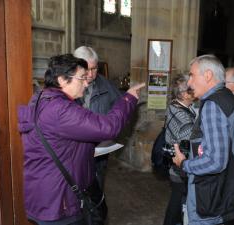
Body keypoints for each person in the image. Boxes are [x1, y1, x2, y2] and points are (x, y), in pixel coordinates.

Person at [17, 54, 145, 225]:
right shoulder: (60, 110)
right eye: (82, 78)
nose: (86, 83)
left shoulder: (42, 97)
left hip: (47, 194)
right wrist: (128, 98)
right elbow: (108, 127)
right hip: (59, 202)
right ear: (62, 79)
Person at [172, 55, 234, 225]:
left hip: (212, 201)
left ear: (208, 75)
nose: (189, 83)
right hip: (228, 196)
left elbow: (215, 161)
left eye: (192, 75)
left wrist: (184, 164)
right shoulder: (232, 101)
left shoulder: (213, 105)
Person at [73, 46, 122, 190]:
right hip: (74, 150)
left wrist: (111, 128)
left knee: (96, 188)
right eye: (86, 69)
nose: (90, 74)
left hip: (99, 151)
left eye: (94, 69)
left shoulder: (106, 85)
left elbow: (121, 109)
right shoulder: (68, 86)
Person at [163, 74, 196, 225]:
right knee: (179, 206)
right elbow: (190, 146)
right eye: (191, 89)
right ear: (183, 94)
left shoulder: (173, 105)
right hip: (180, 167)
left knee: (176, 202)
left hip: (174, 166)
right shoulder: (184, 118)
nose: (194, 90)